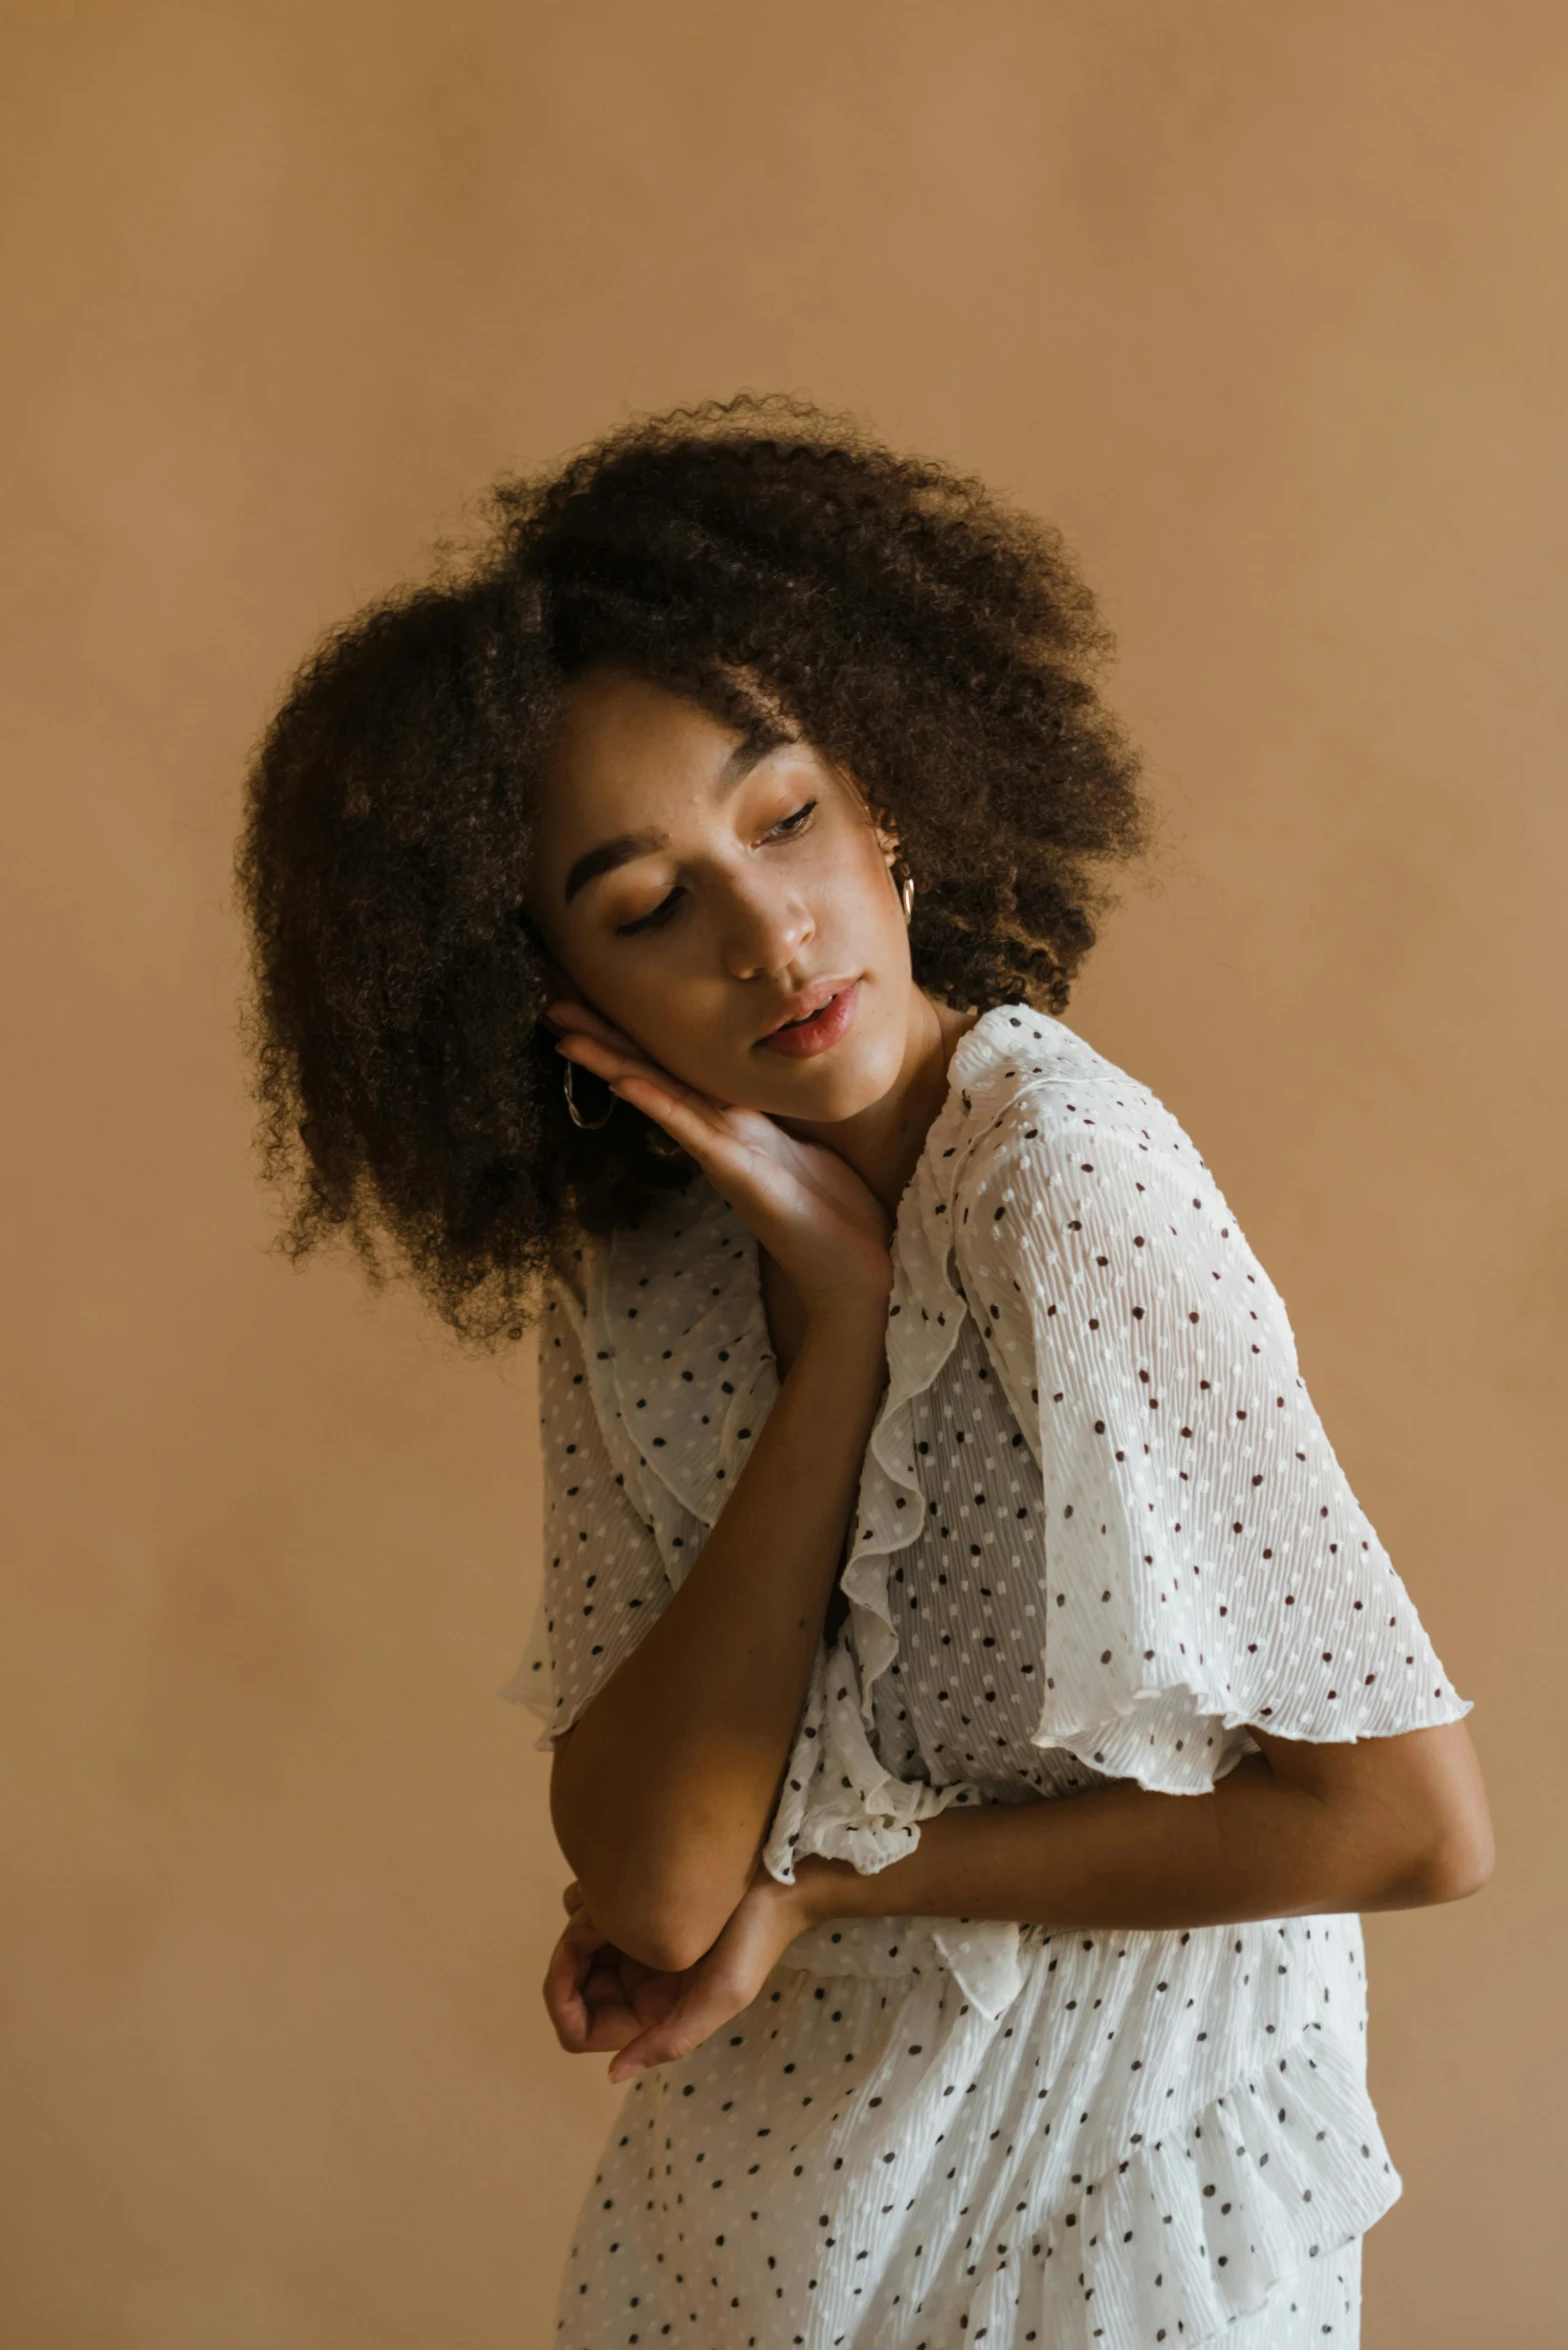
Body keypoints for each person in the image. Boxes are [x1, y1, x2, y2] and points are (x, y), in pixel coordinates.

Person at [235, 395, 1491, 2350]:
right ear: (560, 997)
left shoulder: (1062, 1176)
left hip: (1116, 2176)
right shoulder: (646, 1275)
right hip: (774, 2203)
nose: (764, 926)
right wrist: (832, 1338)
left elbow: (1406, 1822)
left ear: (885, 794)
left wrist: (830, 1888)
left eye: (786, 813)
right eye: (649, 905)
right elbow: (654, 1895)